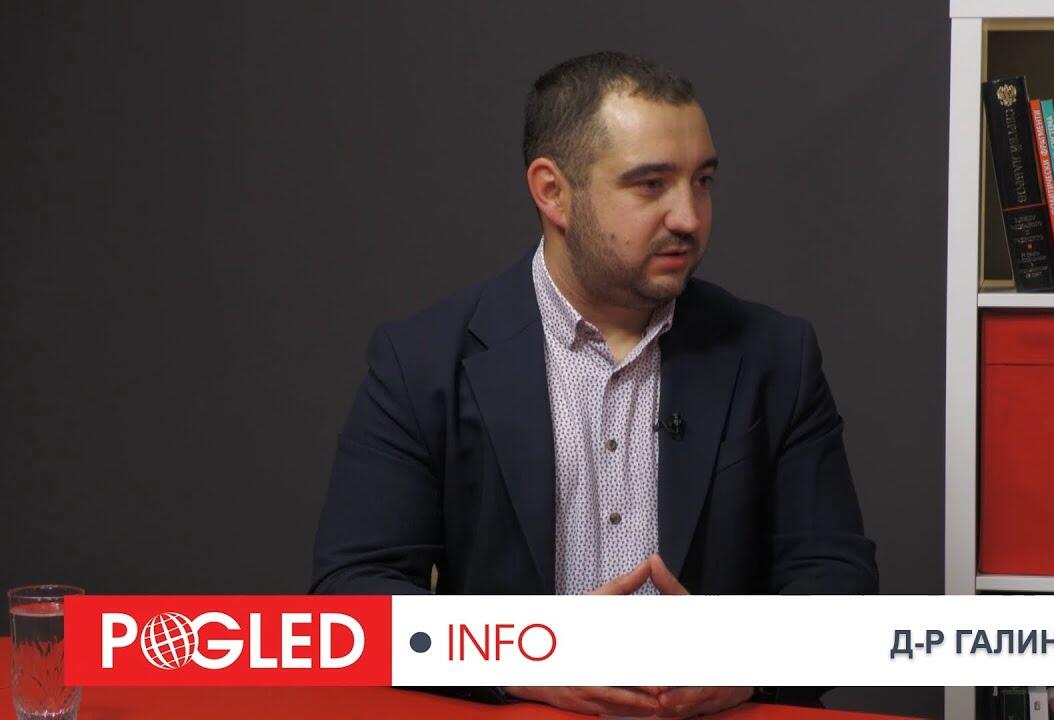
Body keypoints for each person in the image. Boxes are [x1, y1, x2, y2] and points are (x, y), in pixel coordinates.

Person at [311, 51, 877, 717]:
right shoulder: (422, 361)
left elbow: (837, 582)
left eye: (702, 181)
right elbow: (351, 595)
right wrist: (522, 657)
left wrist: (746, 662)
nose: (690, 217)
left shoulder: (776, 355)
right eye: (650, 185)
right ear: (552, 191)